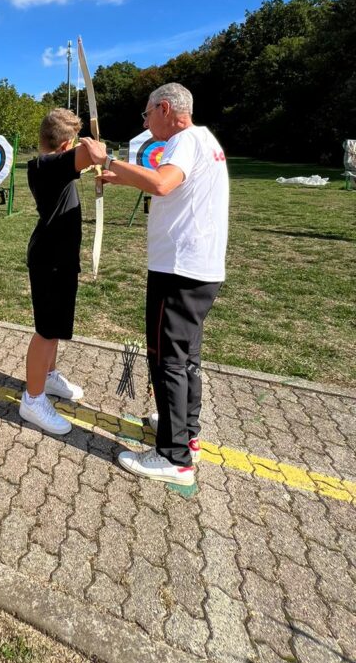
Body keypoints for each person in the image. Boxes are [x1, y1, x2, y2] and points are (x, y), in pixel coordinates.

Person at [101, 83, 229, 486]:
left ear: (164, 108)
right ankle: (185, 433)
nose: (145, 122)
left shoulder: (184, 140)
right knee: (186, 357)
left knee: (168, 359)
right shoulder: (204, 139)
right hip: (198, 270)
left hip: (178, 270)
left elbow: (162, 184)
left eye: (146, 114)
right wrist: (120, 177)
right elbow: (172, 184)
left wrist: (108, 158)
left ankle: (174, 458)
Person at [20, 108, 107, 434]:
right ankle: (33, 398)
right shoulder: (47, 165)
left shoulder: (55, 165)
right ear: (65, 144)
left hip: (59, 257)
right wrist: (94, 142)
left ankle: (49, 375)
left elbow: (87, 157)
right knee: (46, 330)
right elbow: (91, 154)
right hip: (50, 260)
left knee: (54, 327)